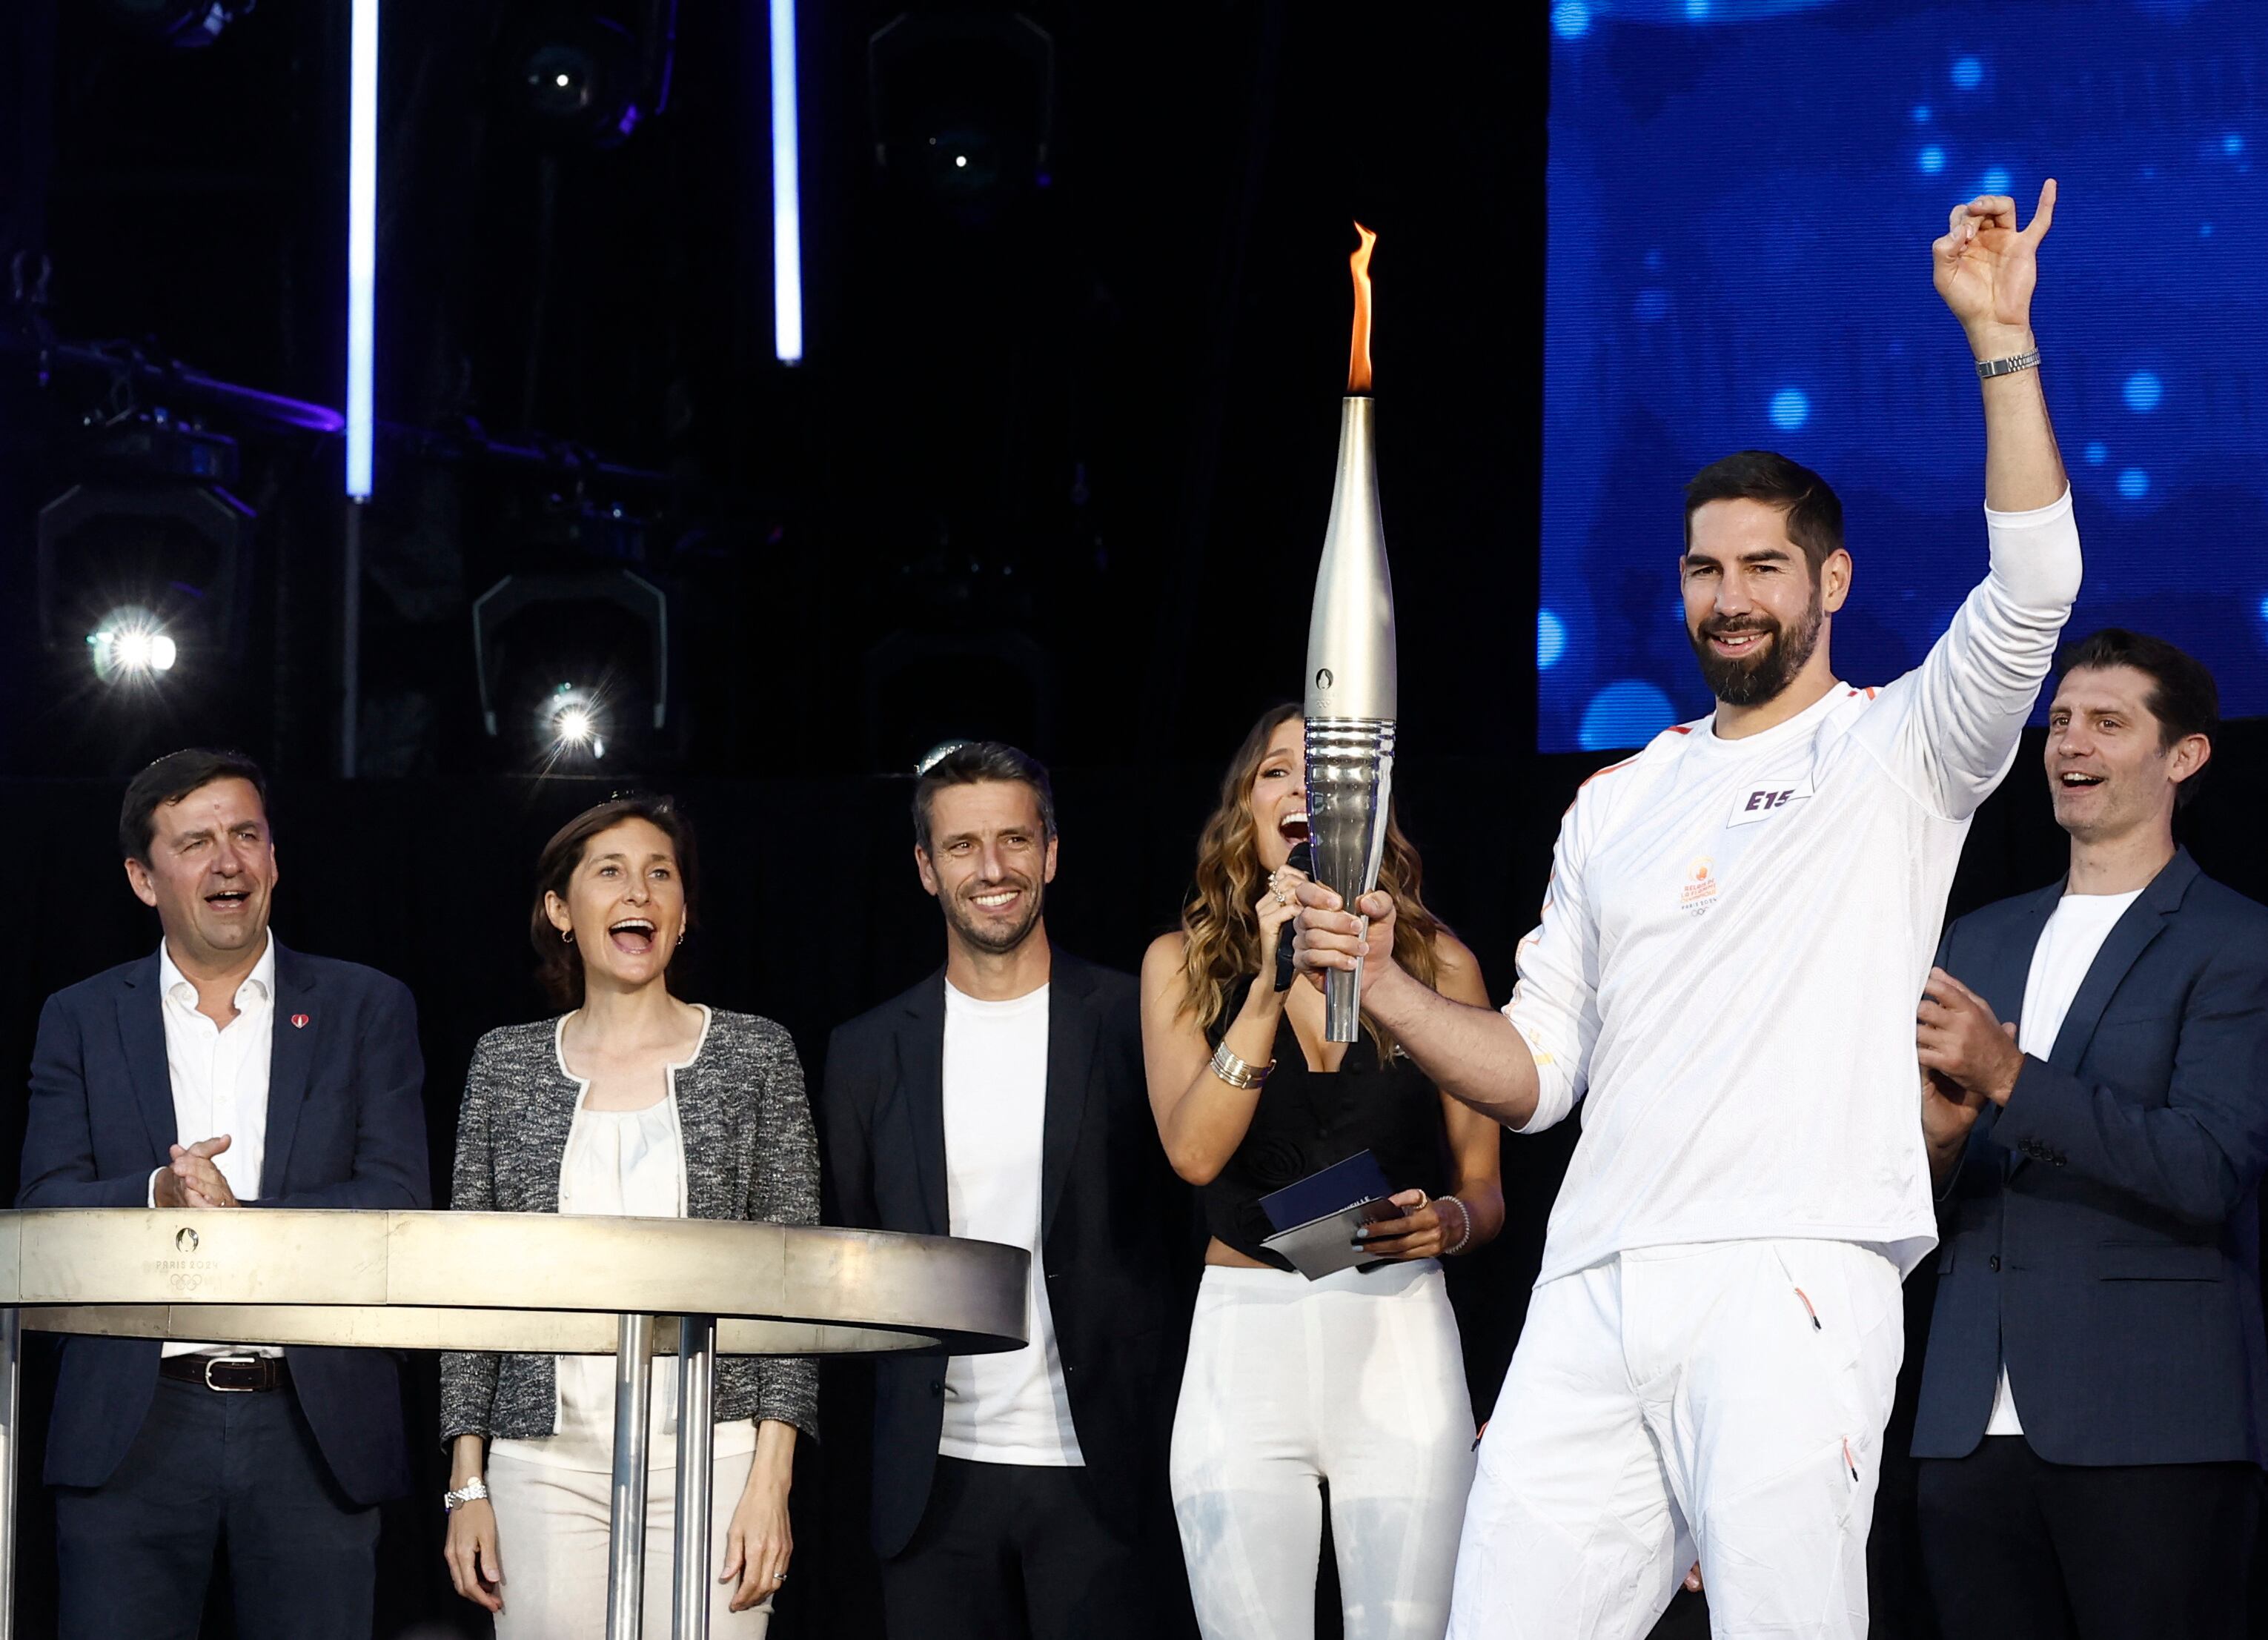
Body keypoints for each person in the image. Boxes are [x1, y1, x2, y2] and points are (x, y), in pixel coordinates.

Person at [1296, 184, 2081, 1639]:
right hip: (1596, 1280)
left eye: (1765, 567)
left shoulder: (1904, 746)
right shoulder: (1617, 804)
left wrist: (1999, 338)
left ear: (1830, 580)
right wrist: (1390, 985)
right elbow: (1538, 1075)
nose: (1732, 598)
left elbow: (2036, 584)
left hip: (1793, 1272)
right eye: (1707, 568)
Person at [18, 747, 430, 1639]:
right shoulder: (80, 1017)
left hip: (314, 1423)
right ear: (143, 876)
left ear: (274, 859)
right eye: (196, 841)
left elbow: (398, 1203)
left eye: (247, 835)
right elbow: (45, 1204)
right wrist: (160, 1192)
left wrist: (251, 1224)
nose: (228, 861)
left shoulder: (367, 1007)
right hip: (131, 1427)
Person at [1911, 631, 2268, 1639]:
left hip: (2153, 1425)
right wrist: (1939, 1140)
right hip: (1966, 1427)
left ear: (2183, 755)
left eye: (2109, 722)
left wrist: (2009, 1076)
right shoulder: (1977, 939)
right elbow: (1906, 1192)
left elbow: (2207, 1169)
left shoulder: (2237, 943)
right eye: (2061, 721)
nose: (2072, 742)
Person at [1140, 703, 1504, 1639]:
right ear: (1244, 810)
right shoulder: (1183, 966)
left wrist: (1448, 1224)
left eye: (1326, 771)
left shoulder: (1442, 965)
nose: (1302, 786)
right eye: (1276, 771)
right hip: (1243, 1344)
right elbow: (1193, 1153)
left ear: (1369, 806)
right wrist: (1266, 985)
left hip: (1398, 1339)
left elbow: (1485, 1189)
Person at [821, 740, 1195, 1640]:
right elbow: (853, 1255)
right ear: (924, 867)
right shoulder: (867, 1050)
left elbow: (1187, 1224)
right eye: (961, 846)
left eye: (1014, 840)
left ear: (1052, 852)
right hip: (933, 1477)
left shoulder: (1135, 1017)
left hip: (1104, 1474)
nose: (992, 869)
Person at [439, 794, 817, 1636]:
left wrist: (770, 1478)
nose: (637, 892)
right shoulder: (505, 1063)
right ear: (560, 910)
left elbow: (795, 1285)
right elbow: (469, 1287)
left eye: (660, 873)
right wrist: (469, 1481)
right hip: (543, 1464)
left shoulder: (756, 1054)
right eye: (609, 872)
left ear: (683, 912)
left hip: (716, 1458)